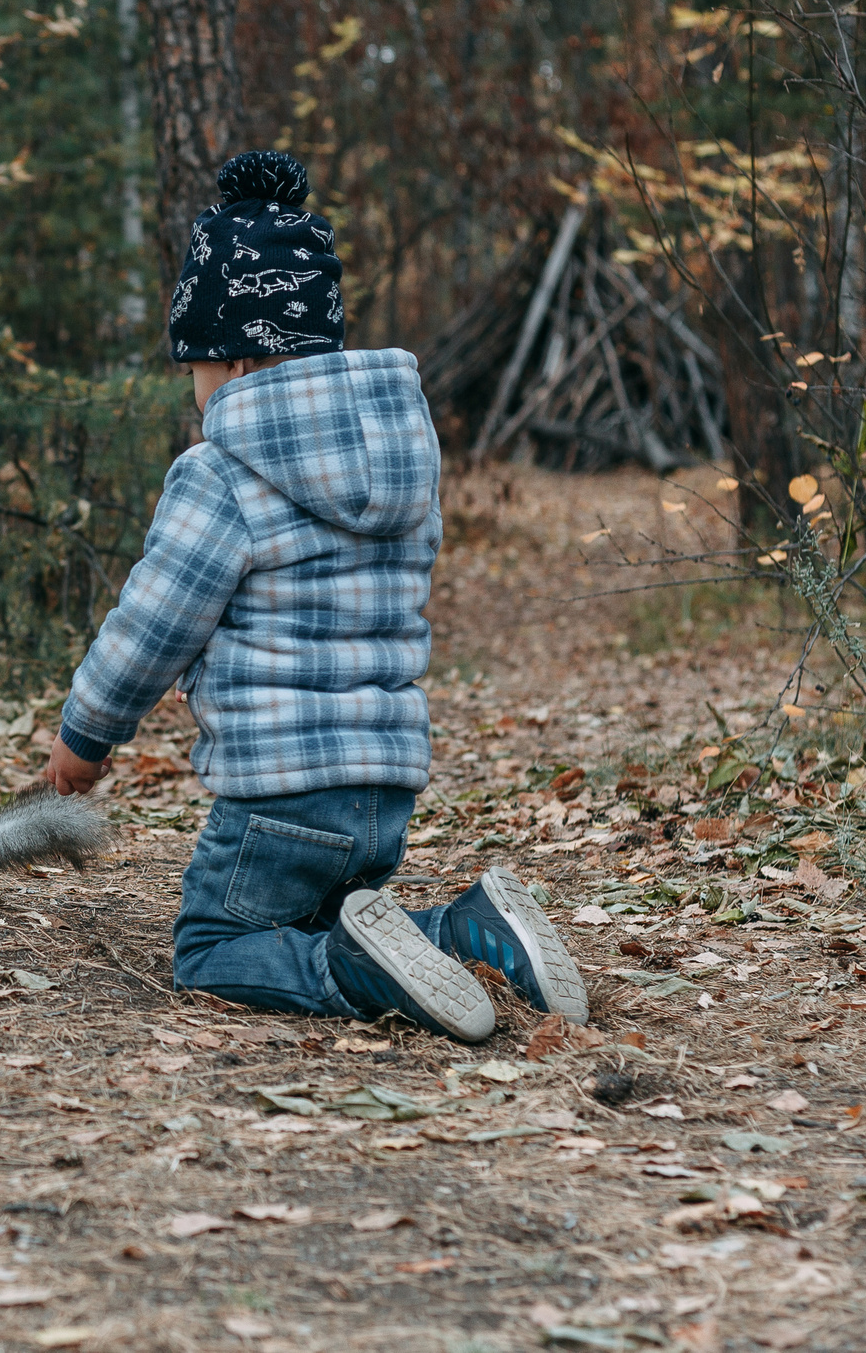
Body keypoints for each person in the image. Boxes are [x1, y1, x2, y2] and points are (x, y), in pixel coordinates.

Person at [41, 150, 585, 1039]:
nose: (197, 392)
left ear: (243, 363)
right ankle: (468, 929)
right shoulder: (406, 457)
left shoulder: (219, 472)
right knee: (325, 916)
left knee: (214, 947)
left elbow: (153, 621)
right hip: (385, 793)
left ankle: (352, 971)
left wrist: (85, 736)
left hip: (276, 798)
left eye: (200, 369)